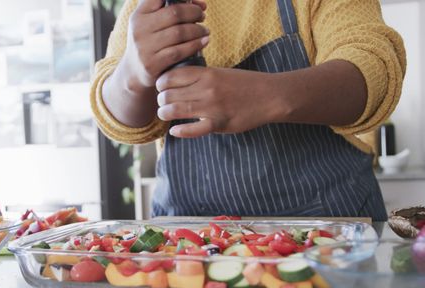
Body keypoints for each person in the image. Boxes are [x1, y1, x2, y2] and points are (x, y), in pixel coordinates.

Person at [90, 0, 406, 221]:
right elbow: (116, 116)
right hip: (188, 240)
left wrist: (270, 96)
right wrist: (132, 74)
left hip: (330, 233)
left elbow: (373, 68)